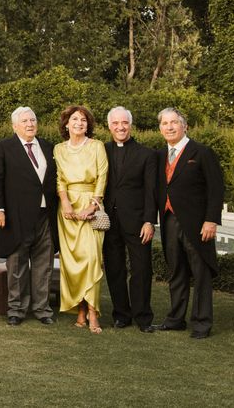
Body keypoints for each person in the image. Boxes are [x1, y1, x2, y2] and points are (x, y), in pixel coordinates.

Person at [154, 107, 225, 339]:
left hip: (197, 224)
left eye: (174, 122)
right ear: (160, 128)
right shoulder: (159, 156)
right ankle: (175, 320)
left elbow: (216, 189)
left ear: (184, 126)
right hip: (169, 220)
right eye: (165, 123)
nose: (170, 127)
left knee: (201, 274)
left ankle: (202, 323)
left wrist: (211, 220)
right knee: (177, 272)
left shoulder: (202, 152)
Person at [0, 106, 59, 326]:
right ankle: (16, 309)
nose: (30, 124)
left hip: (45, 215)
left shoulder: (48, 146)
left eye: (33, 120)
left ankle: (42, 309)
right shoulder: (3, 147)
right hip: (15, 216)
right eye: (25, 121)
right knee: (17, 265)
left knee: (43, 264)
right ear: (14, 126)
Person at [53, 105, 108, 334]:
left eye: (83, 120)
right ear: (66, 124)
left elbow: (102, 176)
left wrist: (92, 205)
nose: (79, 123)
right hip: (67, 210)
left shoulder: (97, 146)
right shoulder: (58, 149)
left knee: (91, 260)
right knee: (71, 263)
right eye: (74, 119)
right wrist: (65, 202)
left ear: (88, 125)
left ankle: (93, 311)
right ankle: (80, 310)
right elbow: (59, 178)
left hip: (90, 205)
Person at [103, 106, 157, 333]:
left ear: (131, 125)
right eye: (115, 123)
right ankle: (121, 315)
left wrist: (149, 221)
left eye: (124, 123)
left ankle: (143, 317)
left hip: (137, 221)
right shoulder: (100, 150)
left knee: (142, 269)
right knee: (114, 269)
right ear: (109, 126)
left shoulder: (147, 154)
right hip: (108, 221)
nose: (120, 127)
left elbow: (151, 191)